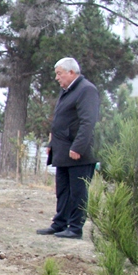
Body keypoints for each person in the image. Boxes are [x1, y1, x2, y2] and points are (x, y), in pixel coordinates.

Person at [36, 58, 100, 239]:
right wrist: (51, 144)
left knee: (77, 192)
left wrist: (78, 147)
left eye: (59, 73)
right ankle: (60, 223)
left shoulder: (86, 90)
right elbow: (61, 121)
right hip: (63, 150)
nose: (57, 78)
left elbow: (88, 122)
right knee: (63, 191)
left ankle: (75, 228)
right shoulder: (67, 91)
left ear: (71, 72)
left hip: (79, 153)